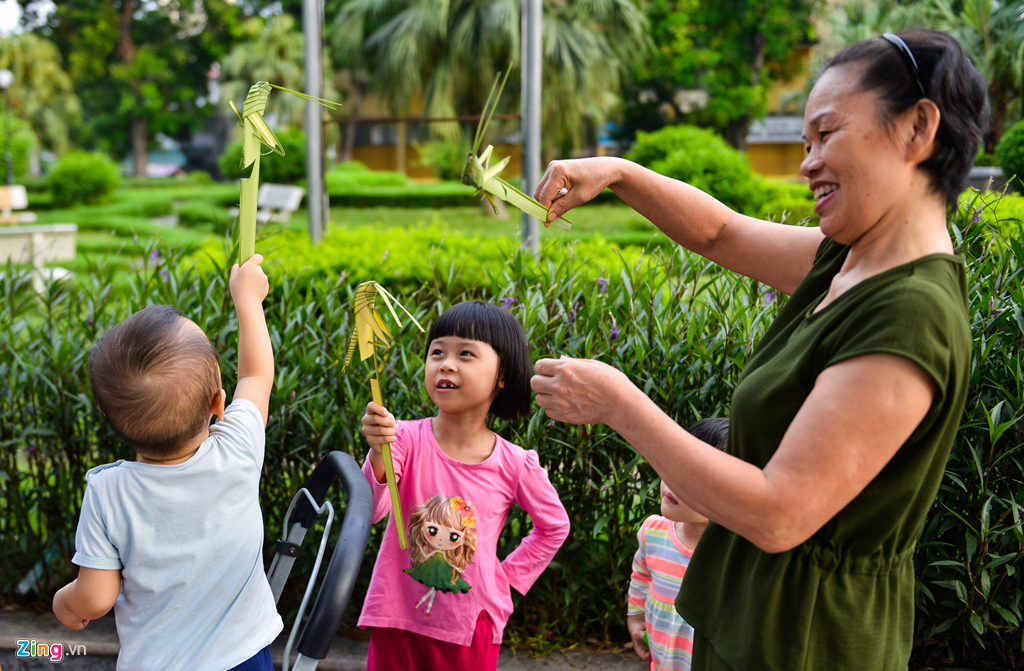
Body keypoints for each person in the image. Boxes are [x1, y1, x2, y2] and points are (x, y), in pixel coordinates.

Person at [530, 30, 987, 670]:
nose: (807, 162)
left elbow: (779, 514)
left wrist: (619, 404)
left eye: (827, 135)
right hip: (755, 621)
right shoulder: (851, 260)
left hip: (805, 640)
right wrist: (618, 175)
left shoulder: (909, 314)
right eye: (806, 143)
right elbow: (721, 232)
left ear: (918, 127)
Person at [52, 255, 281, 671]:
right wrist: (248, 300)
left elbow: (96, 598)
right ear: (218, 403)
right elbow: (255, 377)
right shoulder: (238, 449)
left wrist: (65, 603)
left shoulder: (108, 492)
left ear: (106, 415)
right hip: (242, 657)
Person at [359, 300, 571, 671]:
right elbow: (373, 511)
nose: (446, 363)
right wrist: (378, 452)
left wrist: (505, 577)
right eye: (437, 351)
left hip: (470, 627)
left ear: (502, 375)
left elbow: (554, 526)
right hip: (396, 619)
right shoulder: (402, 438)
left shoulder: (515, 463)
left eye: (466, 353)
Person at [628, 418, 729, 671]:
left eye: (694, 478)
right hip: (661, 660)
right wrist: (636, 617)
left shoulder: (734, 554)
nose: (673, 482)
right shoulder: (653, 532)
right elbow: (641, 575)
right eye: (674, 466)